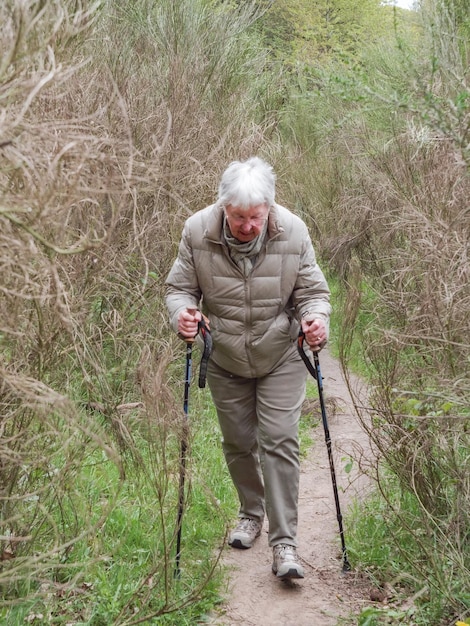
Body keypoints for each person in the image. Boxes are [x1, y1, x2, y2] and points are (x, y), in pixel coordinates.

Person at [165, 157, 331, 580]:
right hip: (223, 356)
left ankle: (285, 543)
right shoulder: (196, 230)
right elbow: (180, 288)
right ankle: (251, 513)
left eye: (255, 217)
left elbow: (312, 291)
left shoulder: (292, 230)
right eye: (238, 217)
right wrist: (183, 313)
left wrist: (315, 319)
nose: (247, 226)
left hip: (280, 354)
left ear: (269, 209)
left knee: (279, 440)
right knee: (238, 442)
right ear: (223, 207)